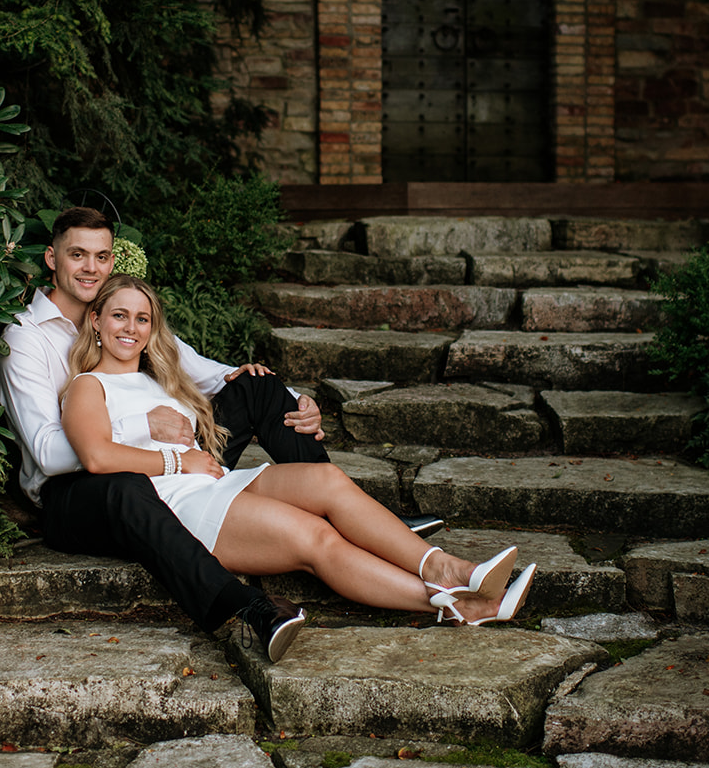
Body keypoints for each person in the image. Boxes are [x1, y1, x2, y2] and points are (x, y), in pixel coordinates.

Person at [0, 205, 441, 659]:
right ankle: (243, 608)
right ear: (52, 258)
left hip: (163, 461)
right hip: (75, 491)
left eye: (102, 257)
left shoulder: (124, 313)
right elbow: (49, 452)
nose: (91, 268)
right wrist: (142, 429)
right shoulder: (26, 338)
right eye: (78, 255)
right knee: (126, 486)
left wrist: (297, 401)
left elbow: (211, 374)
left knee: (257, 386)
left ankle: (353, 520)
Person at [62, 274, 537, 659]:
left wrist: (294, 403)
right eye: (119, 315)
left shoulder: (164, 382)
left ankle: (450, 567)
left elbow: (234, 385)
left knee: (326, 479)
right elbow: (97, 456)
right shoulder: (88, 386)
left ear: (152, 330)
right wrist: (175, 457)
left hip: (218, 481)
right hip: (179, 503)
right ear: (97, 322)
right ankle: (450, 602)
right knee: (315, 537)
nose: (131, 327)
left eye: (142, 318)